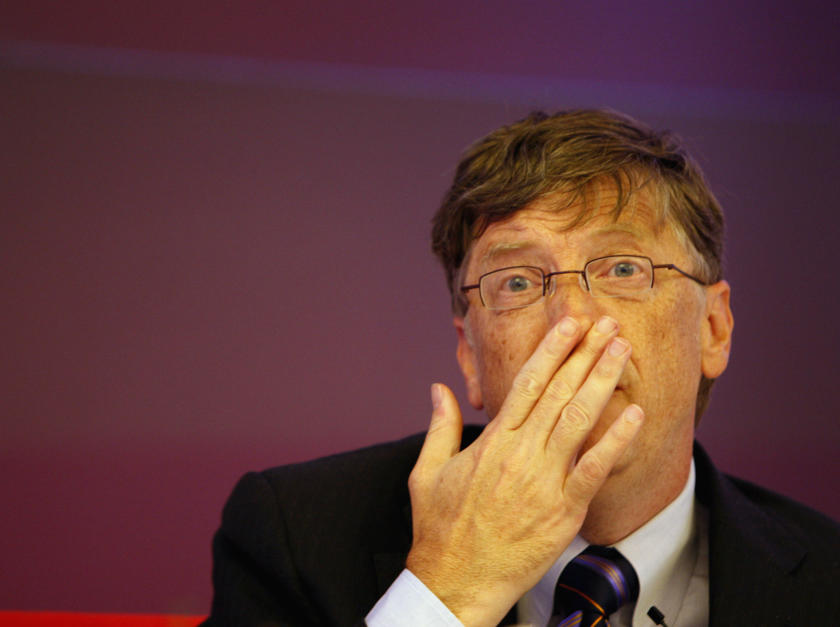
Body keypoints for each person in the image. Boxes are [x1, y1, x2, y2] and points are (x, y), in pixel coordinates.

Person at [203, 109, 840, 626]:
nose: (572, 320)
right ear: (469, 357)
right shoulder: (292, 539)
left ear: (713, 329)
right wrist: (443, 594)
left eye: (622, 269)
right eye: (516, 281)